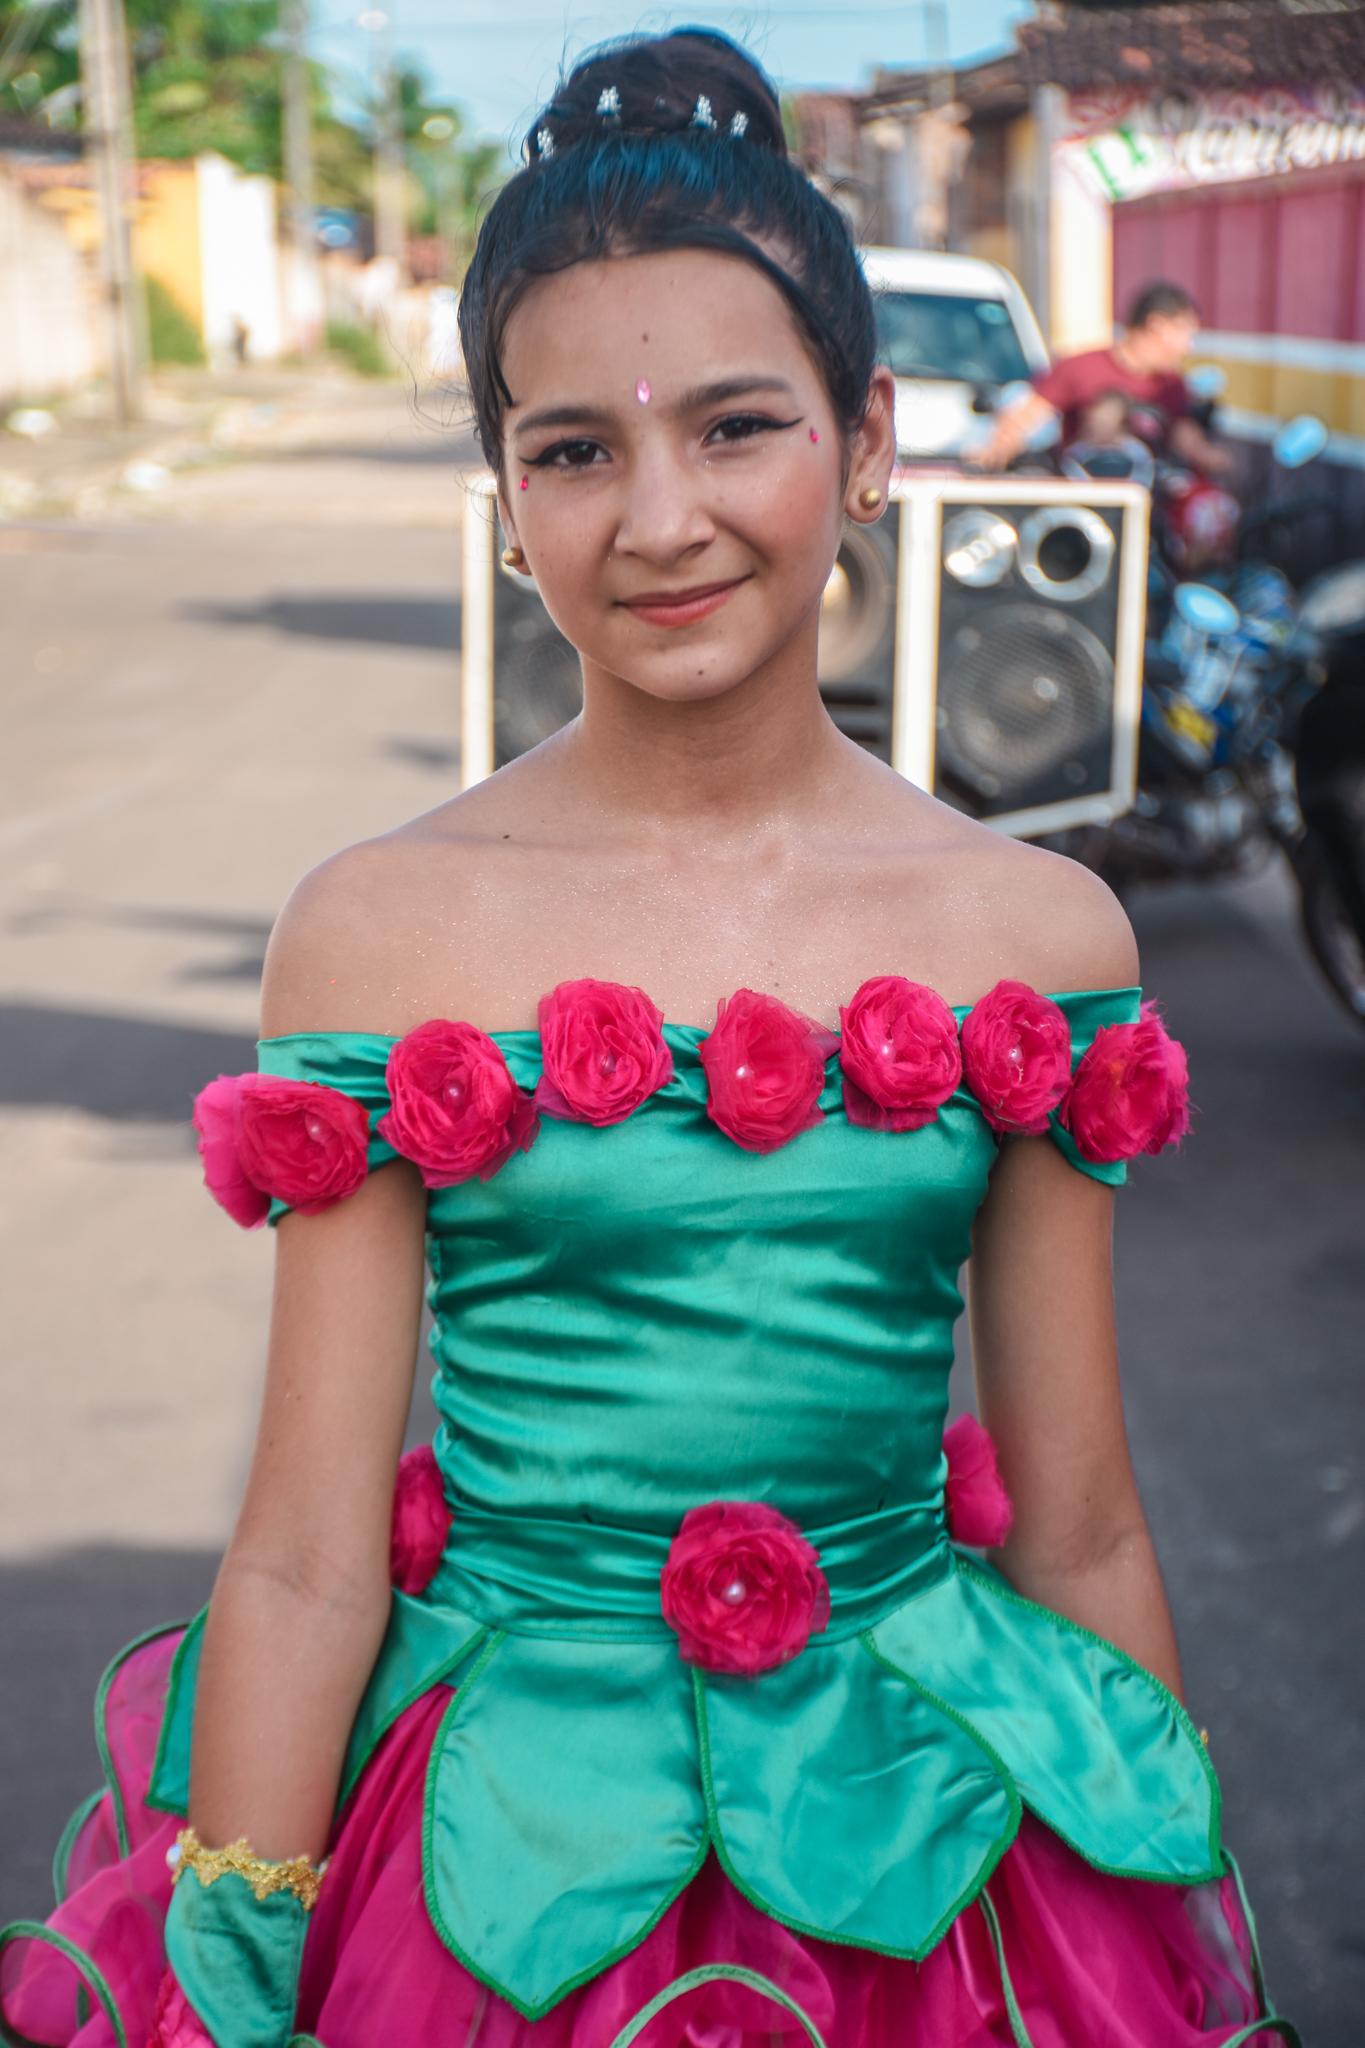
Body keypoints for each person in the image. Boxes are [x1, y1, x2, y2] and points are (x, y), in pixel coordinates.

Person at [0, 29, 1298, 2048]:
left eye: (736, 425)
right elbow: (308, 1552)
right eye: (576, 449)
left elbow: (1082, 1517)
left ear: (866, 445)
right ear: (508, 501)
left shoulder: (1033, 931)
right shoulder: (380, 926)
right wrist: (239, 1944)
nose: (661, 516)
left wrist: (1176, 1908)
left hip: (929, 1861)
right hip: (487, 1866)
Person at [974, 279, 1235, 479]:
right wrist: (996, 449)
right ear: (1156, 325)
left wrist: (1219, 462)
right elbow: (1027, 414)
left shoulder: (1171, 384)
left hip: (1147, 500)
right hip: (1084, 492)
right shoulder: (1080, 367)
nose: (1188, 347)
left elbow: (1185, 437)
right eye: (1184, 333)